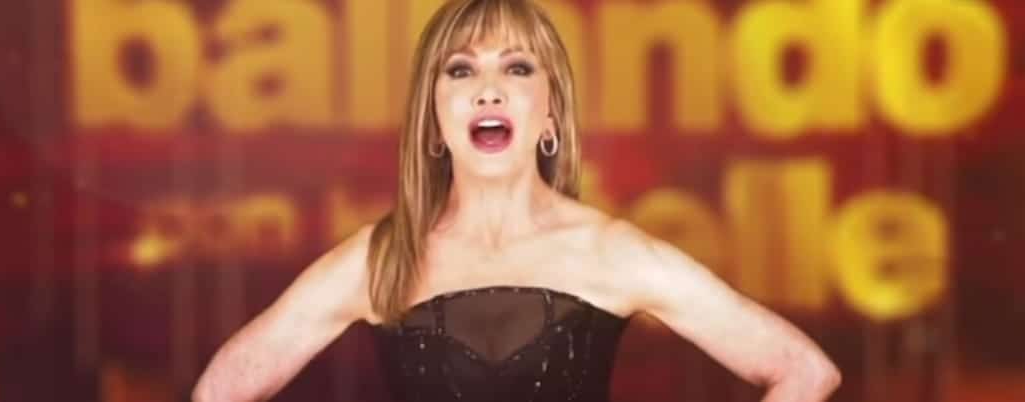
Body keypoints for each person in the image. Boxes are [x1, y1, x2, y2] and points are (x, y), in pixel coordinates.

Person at [192, 0, 841, 401]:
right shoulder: (380, 258)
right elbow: (219, 391)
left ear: (550, 116)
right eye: (461, 69)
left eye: (517, 67)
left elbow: (805, 372)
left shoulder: (612, 253)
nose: (489, 89)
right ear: (432, 121)